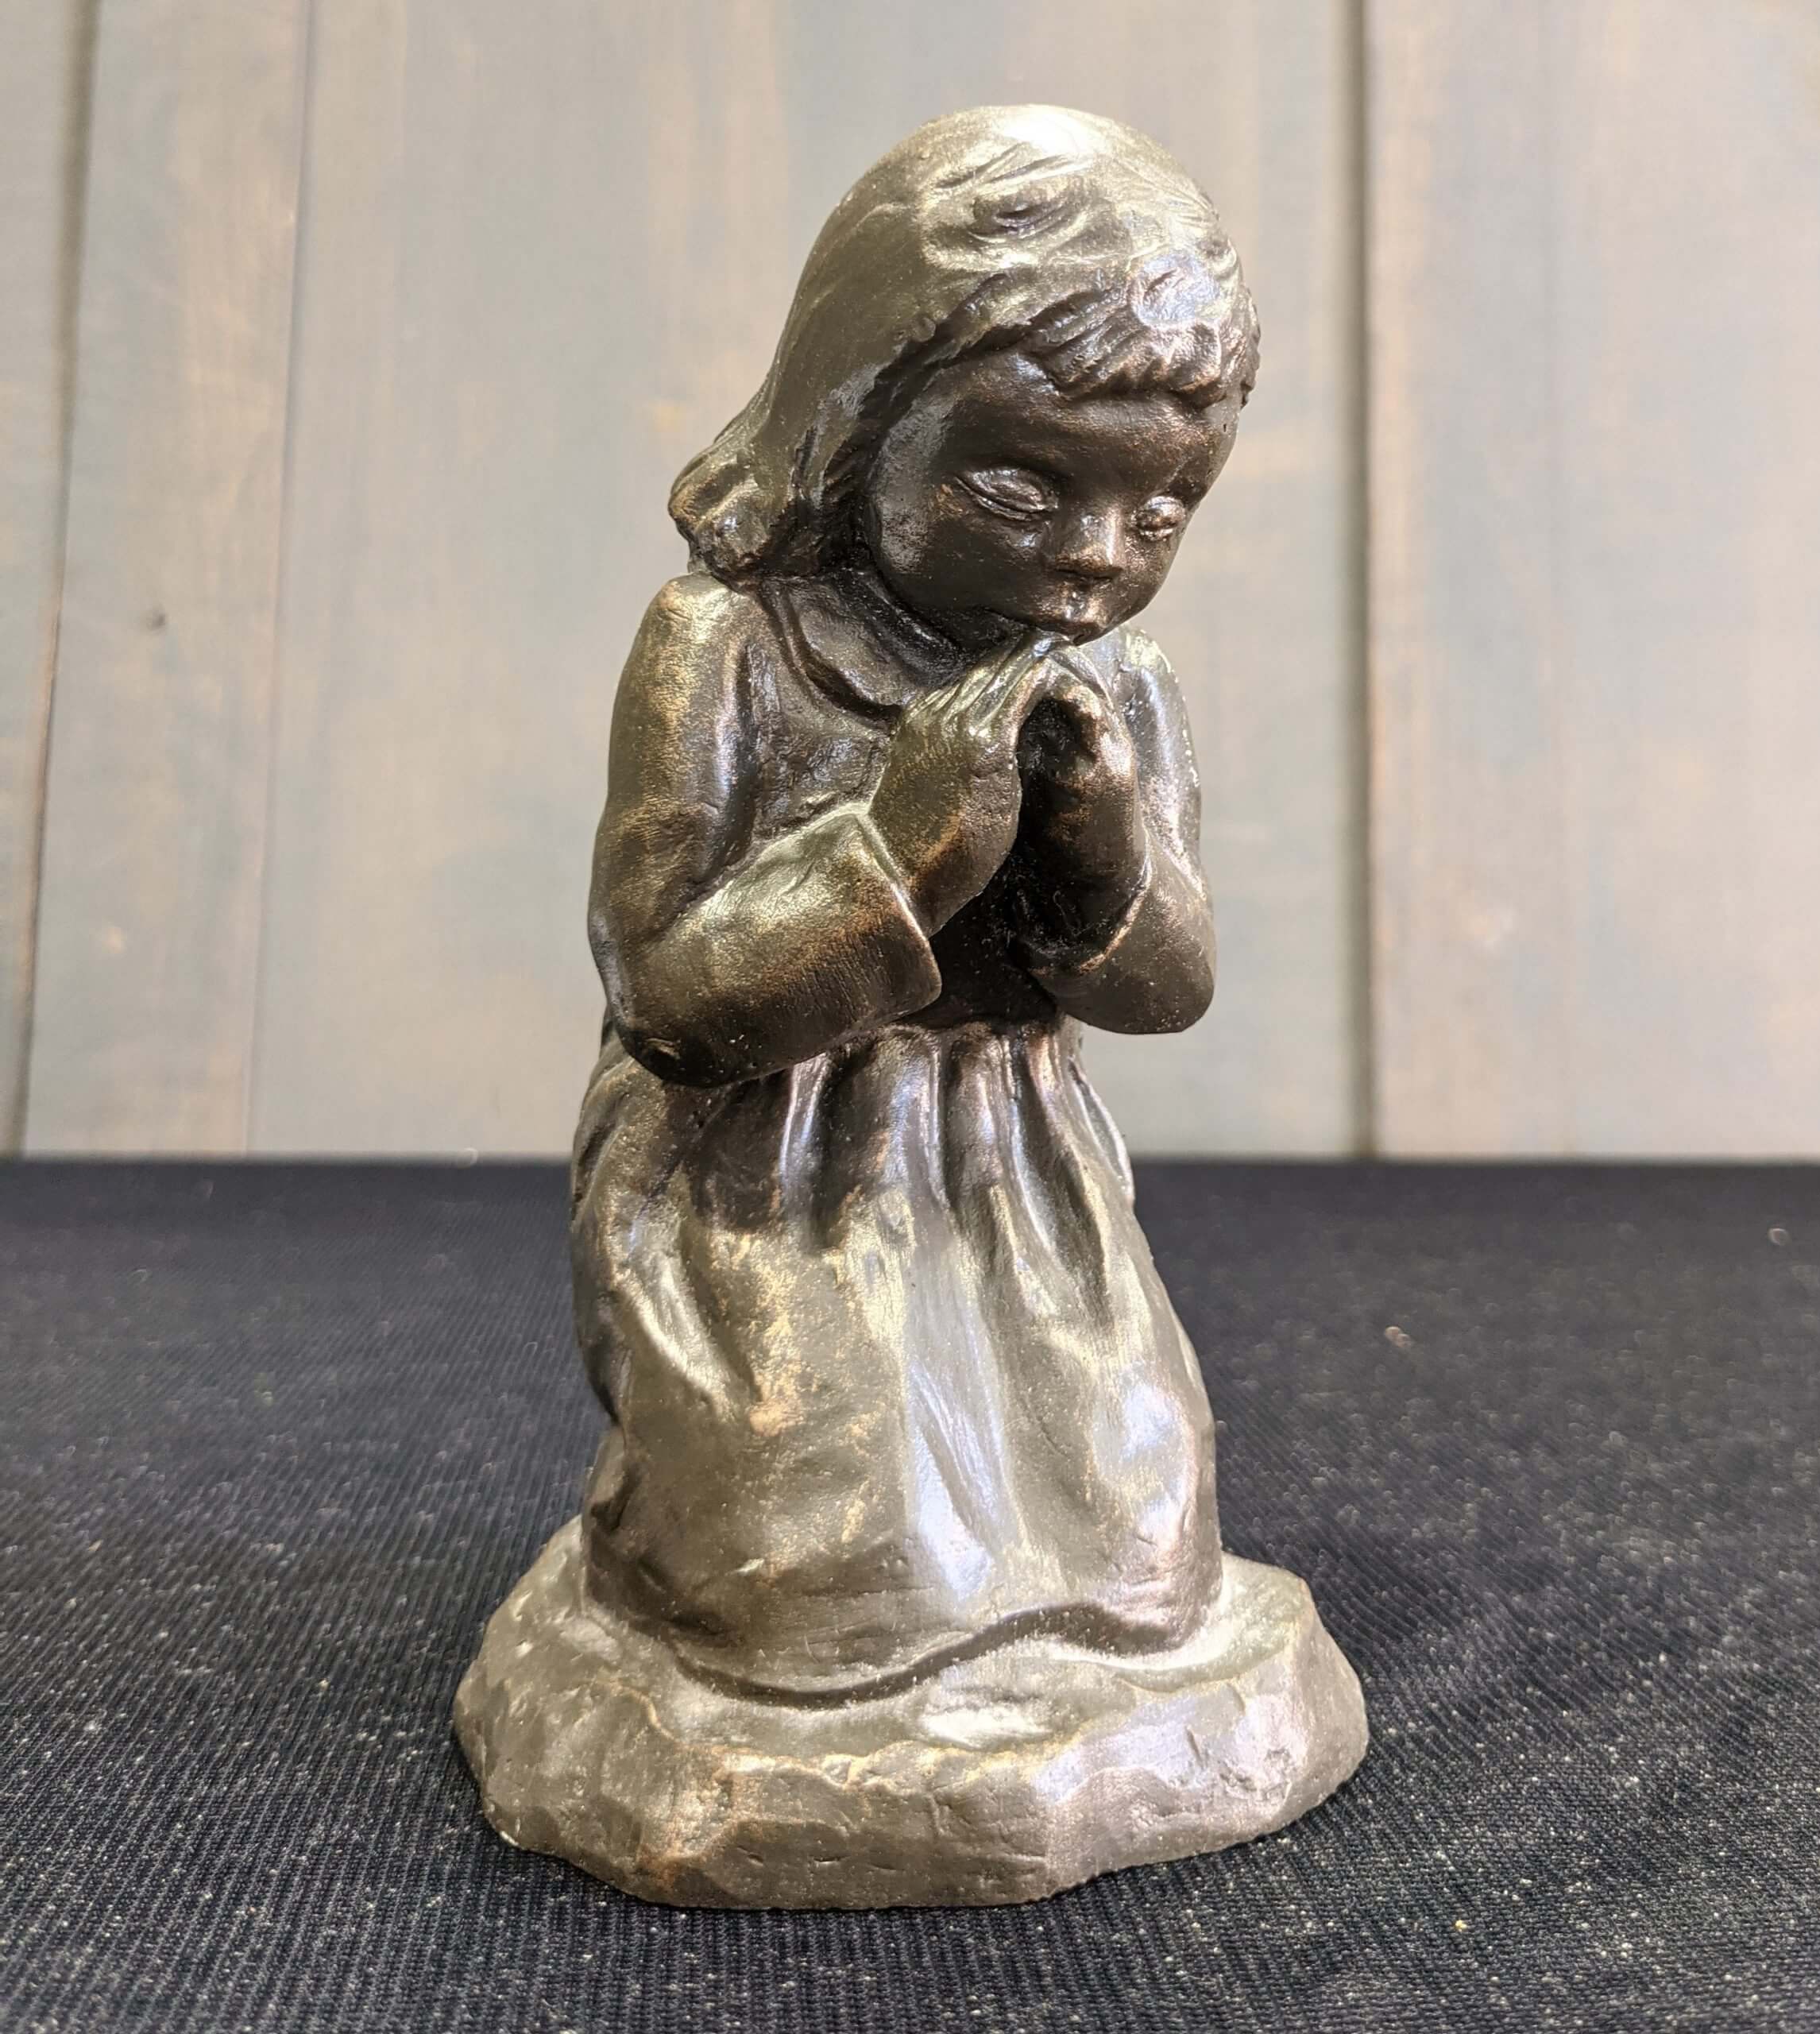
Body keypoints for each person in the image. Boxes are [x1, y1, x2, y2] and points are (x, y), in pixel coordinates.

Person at [462, 106, 1365, 1906]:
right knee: (832, 1564)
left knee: (1135, 1527)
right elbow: (667, 991)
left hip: (1012, 1195)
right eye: (1022, 486)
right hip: (768, 1192)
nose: (1096, 555)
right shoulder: (728, 648)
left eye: (1162, 507)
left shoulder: (1115, 684)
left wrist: (1102, 848)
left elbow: (1170, 986)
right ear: (856, 415)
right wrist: (897, 845)